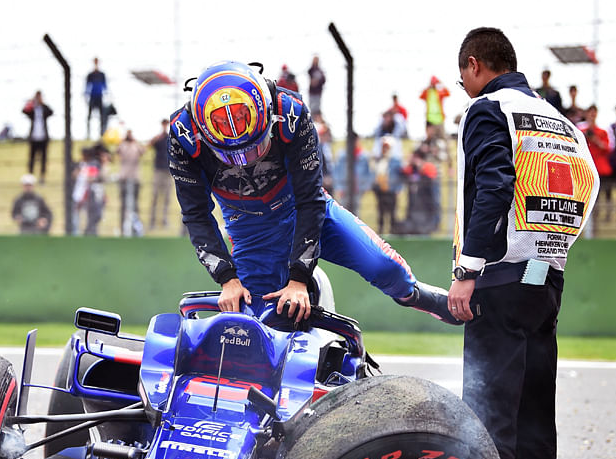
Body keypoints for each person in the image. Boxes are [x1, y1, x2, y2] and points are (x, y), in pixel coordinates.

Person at [449, 27, 599, 459]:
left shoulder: (489, 109)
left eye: (461, 73)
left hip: (500, 280)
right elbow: (589, 186)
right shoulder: (562, 123)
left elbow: (493, 185)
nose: (461, 84)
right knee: (537, 421)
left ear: (475, 64)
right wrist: (551, 250)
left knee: (490, 420)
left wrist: (470, 269)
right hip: (546, 280)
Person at [167, 60, 460, 327]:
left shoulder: (290, 111)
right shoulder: (182, 135)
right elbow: (196, 215)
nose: (246, 159)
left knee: (386, 269)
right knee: (257, 327)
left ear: (267, 115)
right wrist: (227, 279)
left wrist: (298, 279)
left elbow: (310, 199)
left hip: (304, 209)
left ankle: (420, 295)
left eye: (254, 147)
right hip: (250, 232)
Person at [581, 105, 614, 224]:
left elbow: (608, 148)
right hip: (587, 169)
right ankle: (590, 223)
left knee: (605, 196)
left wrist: (594, 138)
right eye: (590, 113)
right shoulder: (580, 130)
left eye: (594, 113)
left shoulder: (603, 131)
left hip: (601, 169)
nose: (592, 115)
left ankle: (605, 221)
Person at [332, 133, 372, 215]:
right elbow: (336, 172)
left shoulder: (364, 156)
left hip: (357, 189)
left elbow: (368, 172)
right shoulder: (342, 155)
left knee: (356, 212)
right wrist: (339, 187)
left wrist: (365, 186)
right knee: (343, 212)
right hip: (344, 188)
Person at [370, 136, 403, 234]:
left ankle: (393, 230)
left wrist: (398, 188)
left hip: (391, 190)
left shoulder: (395, 161)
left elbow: (399, 176)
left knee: (392, 212)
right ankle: (381, 230)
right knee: (381, 212)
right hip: (381, 190)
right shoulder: (379, 160)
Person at [116, 130, 145, 237]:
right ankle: (123, 228)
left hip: (135, 178)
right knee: (123, 205)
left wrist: (135, 141)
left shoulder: (135, 145)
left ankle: (136, 228)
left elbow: (143, 151)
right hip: (124, 177)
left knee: (135, 205)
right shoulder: (123, 145)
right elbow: (117, 151)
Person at [72, 146, 106, 236]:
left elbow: (91, 178)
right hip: (79, 194)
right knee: (77, 216)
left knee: (90, 216)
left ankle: (89, 232)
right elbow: (74, 175)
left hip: (89, 195)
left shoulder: (93, 164)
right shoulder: (81, 164)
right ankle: (76, 233)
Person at [23, 91, 54, 182]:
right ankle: (30, 177)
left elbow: (51, 111)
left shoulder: (44, 109)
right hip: (34, 138)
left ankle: (42, 177)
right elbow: (24, 111)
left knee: (43, 159)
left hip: (43, 138)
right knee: (32, 158)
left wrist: (42, 103)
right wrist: (31, 103)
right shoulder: (32, 109)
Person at [149, 119, 171, 230]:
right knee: (155, 196)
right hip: (158, 170)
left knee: (167, 198)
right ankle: (152, 221)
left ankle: (164, 220)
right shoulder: (159, 138)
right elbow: (150, 144)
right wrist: (160, 134)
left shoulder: (170, 138)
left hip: (167, 171)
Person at [420, 76, 450, 140]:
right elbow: (421, 96)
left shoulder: (439, 92)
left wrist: (441, 84)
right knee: (430, 138)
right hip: (430, 120)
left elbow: (448, 93)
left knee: (442, 137)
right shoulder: (427, 92)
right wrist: (428, 87)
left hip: (439, 119)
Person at [85, 57, 108, 139]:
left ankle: (102, 134)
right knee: (89, 116)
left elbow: (105, 86)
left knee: (102, 116)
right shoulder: (90, 75)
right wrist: (86, 96)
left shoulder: (101, 74)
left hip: (99, 96)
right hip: (92, 96)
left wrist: (106, 96)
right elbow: (87, 87)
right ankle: (88, 134)